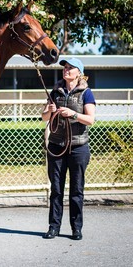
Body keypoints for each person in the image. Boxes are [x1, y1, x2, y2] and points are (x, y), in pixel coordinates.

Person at [41, 58, 96, 240]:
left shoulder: (86, 93)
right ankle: (53, 227)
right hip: (57, 146)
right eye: (65, 67)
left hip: (78, 148)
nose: (66, 70)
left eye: (70, 68)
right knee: (56, 189)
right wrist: (49, 110)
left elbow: (90, 119)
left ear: (78, 72)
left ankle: (76, 228)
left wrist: (72, 113)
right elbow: (44, 117)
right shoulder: (55, 91)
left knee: (76, 190)